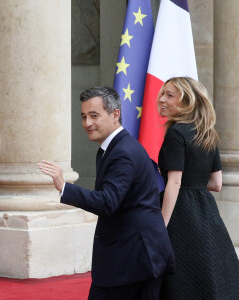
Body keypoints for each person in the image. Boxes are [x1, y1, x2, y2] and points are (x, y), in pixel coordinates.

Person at [38, 86, 175, 300]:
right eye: (84, 116)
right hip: (129, 258)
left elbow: (107, 202)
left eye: (94, 116)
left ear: (115, 115)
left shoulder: (123, 152)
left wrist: (64, 186)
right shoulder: (112, 148)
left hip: (135, 260)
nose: (87, 123)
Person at [157, 77, 239, 299]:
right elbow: (216, 184)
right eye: (162, 93)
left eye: (169, 95)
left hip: (180, 213)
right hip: (206, 211)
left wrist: (161, 226)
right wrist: (195, 186)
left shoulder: (176, 133)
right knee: (210, 273)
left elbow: (175, 182)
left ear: (187, 101)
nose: (161, 99)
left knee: (183, 280)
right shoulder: (207, 133)